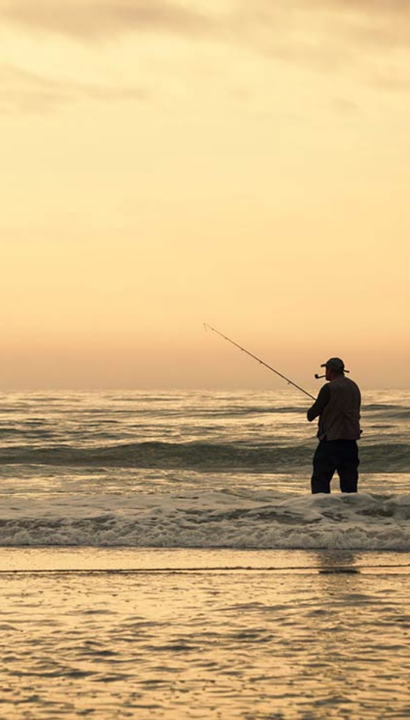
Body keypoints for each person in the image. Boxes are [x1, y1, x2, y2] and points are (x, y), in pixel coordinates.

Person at [307, 357, 361, 494]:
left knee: (320, 481)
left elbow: (311, 415)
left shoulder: (329, 388)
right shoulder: (354, 386)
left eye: (326, 369)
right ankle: (351, 507)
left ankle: (323, 507)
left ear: (330, 370)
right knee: (350, 485)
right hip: (350, 443)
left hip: (331, 442)